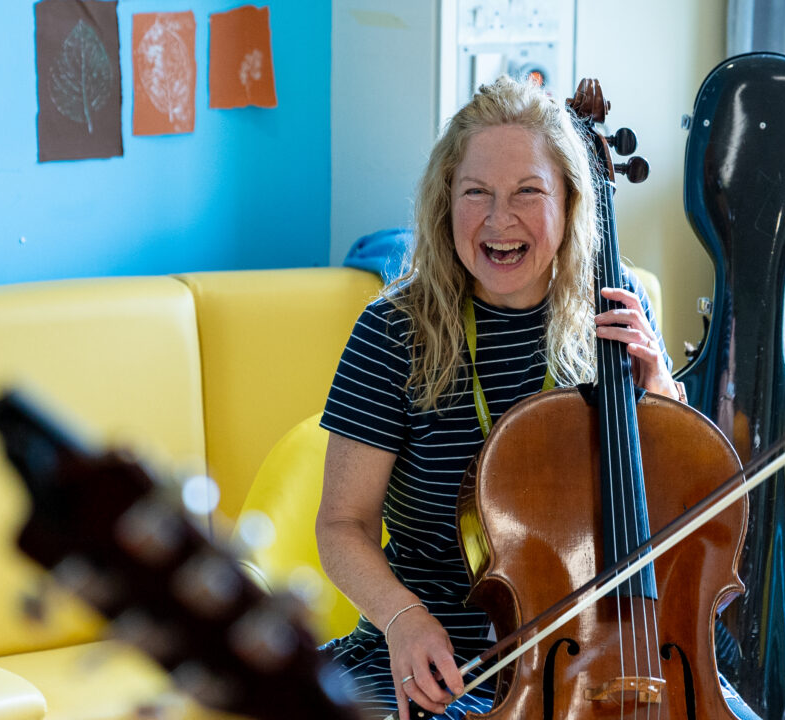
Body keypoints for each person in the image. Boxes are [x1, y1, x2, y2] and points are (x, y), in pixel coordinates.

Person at [315, 76, 756, 720]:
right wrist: (403, 622)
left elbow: (687, 528)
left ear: (573, 203)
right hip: (441, 662)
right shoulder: (392, 332)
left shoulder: (612, 305)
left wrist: (662, 395)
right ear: (446, 204)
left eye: (528, 192)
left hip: (626, 656)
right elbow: (341, 526)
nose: (500, 220)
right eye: (476, 194)